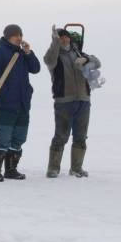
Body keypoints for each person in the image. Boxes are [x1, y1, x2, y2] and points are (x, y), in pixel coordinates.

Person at [43, 26, 101, 178]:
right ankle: (53, 168)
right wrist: (54, 42)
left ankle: (76, 168)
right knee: (61, 135)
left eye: (66, 36)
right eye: (60, 37)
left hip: (83, 100)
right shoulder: (54, 57)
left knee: (81, 136)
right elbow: (48, 59)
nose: (64, 39)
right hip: (64, 101)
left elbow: (97, 62)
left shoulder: (78, 53)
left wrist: (86, 59)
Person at [0, 24, 40, 182]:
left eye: (20, 35)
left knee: (19, 138)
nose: (19, 38)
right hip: (6, 103)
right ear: (8, 36)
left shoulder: (23, 54)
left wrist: (29, 53)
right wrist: (5, 93)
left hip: (23, 102)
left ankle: (11, 169)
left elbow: (36, 68)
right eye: (16, 35)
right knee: (3, 137)